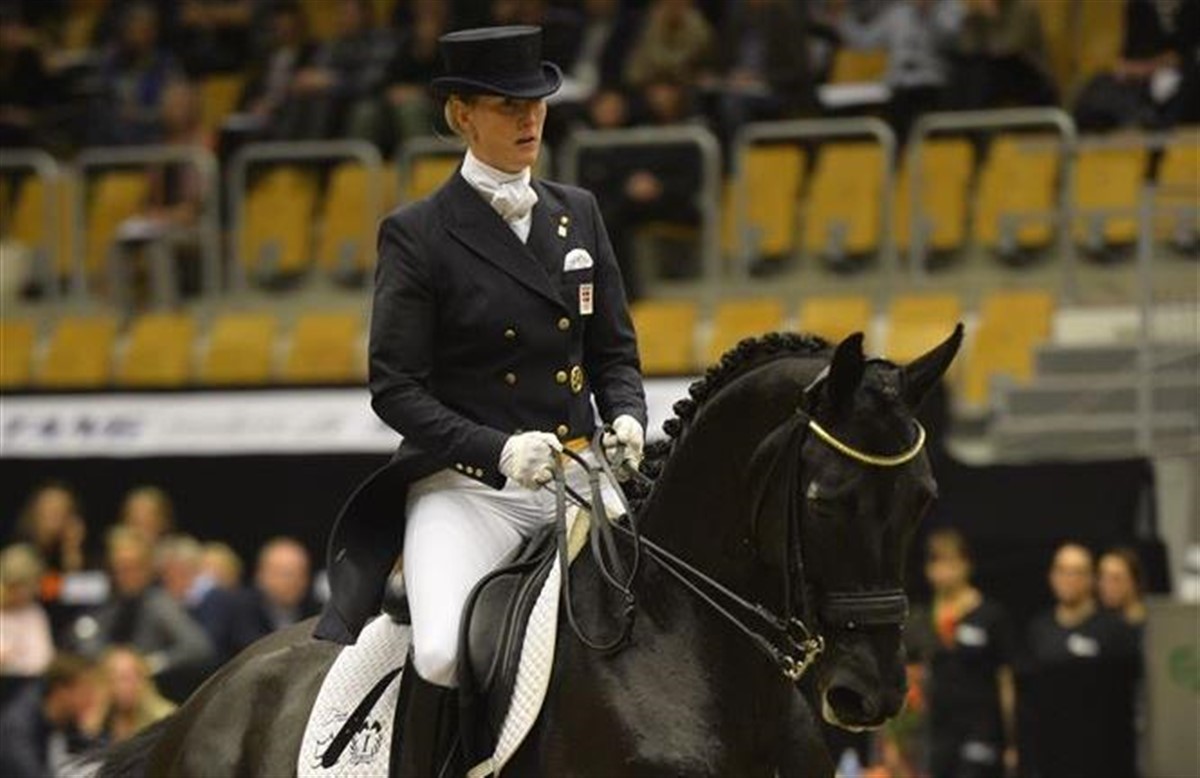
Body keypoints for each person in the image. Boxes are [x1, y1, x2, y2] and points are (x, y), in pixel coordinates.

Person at [313, 25, 647, 775]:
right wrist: (494, 450)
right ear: (462, 116)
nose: (529, 119)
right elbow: (394, 388)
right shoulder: (419, 234)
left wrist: (628, 413)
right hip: (469, 491)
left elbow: (614, 353)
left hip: (578, 477)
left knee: (662, 621)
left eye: (537, 104)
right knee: (439, 652)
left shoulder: (578, 212)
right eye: (507, 106)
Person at [1023, 542, 1140, 778]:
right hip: (1051, 757)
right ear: (1051, 576)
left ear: (1092, 579)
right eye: (1062, 571)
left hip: (1104, 759)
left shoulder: (1116, 631)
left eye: (1077, 572)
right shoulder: (1038, 629)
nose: (1069, 579)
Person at [907, 529, 1016, 778]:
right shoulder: (921, 618)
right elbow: (911, 677)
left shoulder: (990, 615)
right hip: (936, 730)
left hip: (981, 728)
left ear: (966, 564)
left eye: (950, 562)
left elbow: (1006, 680)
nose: (943, 571)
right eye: (936, 562)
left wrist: (1012, 740)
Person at [71, 527, 214, 685]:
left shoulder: (160, 602)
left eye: (132, 567)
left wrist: (151, 663)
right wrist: (109, 662)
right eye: (119, 568)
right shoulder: (107, 602)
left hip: (148, 686)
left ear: (147, 569)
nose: (125, 575)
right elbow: (84, 637)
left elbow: (197, 647)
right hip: (105, 682)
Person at [832, 0, 964, 142]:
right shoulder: (897, 12)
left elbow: (952, 40)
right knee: (883, 112)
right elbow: (865, 42)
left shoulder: (949, 7)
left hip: (934, 83)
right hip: (898, 86)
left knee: (925, 108)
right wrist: (842, 19)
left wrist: (929, 11)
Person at [0, 653, 105, 778]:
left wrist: (91, 732)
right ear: (61, 691)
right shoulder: (17, 728)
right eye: (85, 692)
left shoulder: (64, 720)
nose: (92, 701)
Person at [156, 535, 242, 664]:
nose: (168, 580)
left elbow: (208, 650)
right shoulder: (171, 601)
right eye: (165, 574)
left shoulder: (216, 599)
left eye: (175, 573)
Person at [231, 536, 318, 650]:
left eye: (301, 574)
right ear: (260, 575)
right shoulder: (238, 611)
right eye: (285, 574)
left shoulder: (316, 612)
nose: (293, 581)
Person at [98, 646, 176, 743]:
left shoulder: (165, 717)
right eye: (121, 679)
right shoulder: (102, 721)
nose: (128, 685)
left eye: (135, 676)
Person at [0, 544, 56, 678]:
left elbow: (42, 659)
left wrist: (11, 660)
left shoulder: (34, 614)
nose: (26, 593)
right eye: (16, 586)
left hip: (28, 683)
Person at [15, 481, 87, 575]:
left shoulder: (67, 551)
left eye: (62, 511)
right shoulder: (19, 553)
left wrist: (72, 549)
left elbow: (75, 581)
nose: (56, 517)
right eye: (50, 510)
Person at [1099, 546, 1148, 628]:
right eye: (1102, 578)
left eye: (1116, 579)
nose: (1106, 586)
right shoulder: (1099, 623)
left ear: (1134, 582)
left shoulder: (1156, 623)